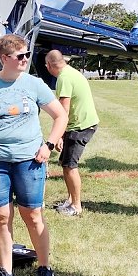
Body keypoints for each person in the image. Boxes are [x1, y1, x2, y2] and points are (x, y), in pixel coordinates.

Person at [0, 34, 67, 276]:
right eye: (20, 56)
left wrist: (50, 144)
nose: (25, 60)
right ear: (3, 59)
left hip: (29, 161)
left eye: (27, 55)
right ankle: (5, 270)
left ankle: (44, 268)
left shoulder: (35, 85)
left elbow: (60, 116)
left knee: (32, 215)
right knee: (1, 216)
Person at [43, 50, 99, 217]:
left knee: (69, 166)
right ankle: (70, 200)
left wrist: (59, 135)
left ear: (49, 65)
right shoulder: (71, 72)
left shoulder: (64, 78)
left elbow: (63, 110)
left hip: (80, 127)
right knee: (65, 163)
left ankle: (76, 206)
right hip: (80, 124)